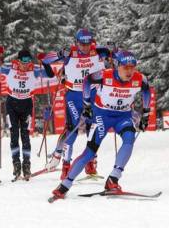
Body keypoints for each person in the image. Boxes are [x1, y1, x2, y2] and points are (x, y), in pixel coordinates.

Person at [51, 50, 151, 199]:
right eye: (125, 67)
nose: (129, 71)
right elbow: (87, 81)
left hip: (122, 116)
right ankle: (65, 185)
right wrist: (86, 105)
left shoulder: (140, 79)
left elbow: (146, 92)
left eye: (132, 67)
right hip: (102, 116)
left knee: (129, 139)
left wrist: (146, 114)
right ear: (117, 66)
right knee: (90, 152)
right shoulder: (104, 75)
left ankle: (113, 179)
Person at [42, 28, 111, 180]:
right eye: (82, 43)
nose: (85, 47)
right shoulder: (70, 54)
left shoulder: (99, 52)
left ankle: (90, 162)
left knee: (93, 129)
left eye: (88, 43)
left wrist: (114, 51)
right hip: (74, 95)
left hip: (93, 94)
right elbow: (45, 60)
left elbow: (118, 60)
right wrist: (59, 54)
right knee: (71, 130)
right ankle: (66, 166)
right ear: (76, 42)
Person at [0, 46, 55, 180]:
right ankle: (16, 164)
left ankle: (26, 164)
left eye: (28, 62)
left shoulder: (34, 69)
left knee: (25, 135)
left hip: (26, 104)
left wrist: (45, 63)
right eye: (23, 62)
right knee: (14, 134)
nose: (26, 65)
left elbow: (50, 74)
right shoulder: (10, 67)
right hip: (12, 104)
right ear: (18, 61)